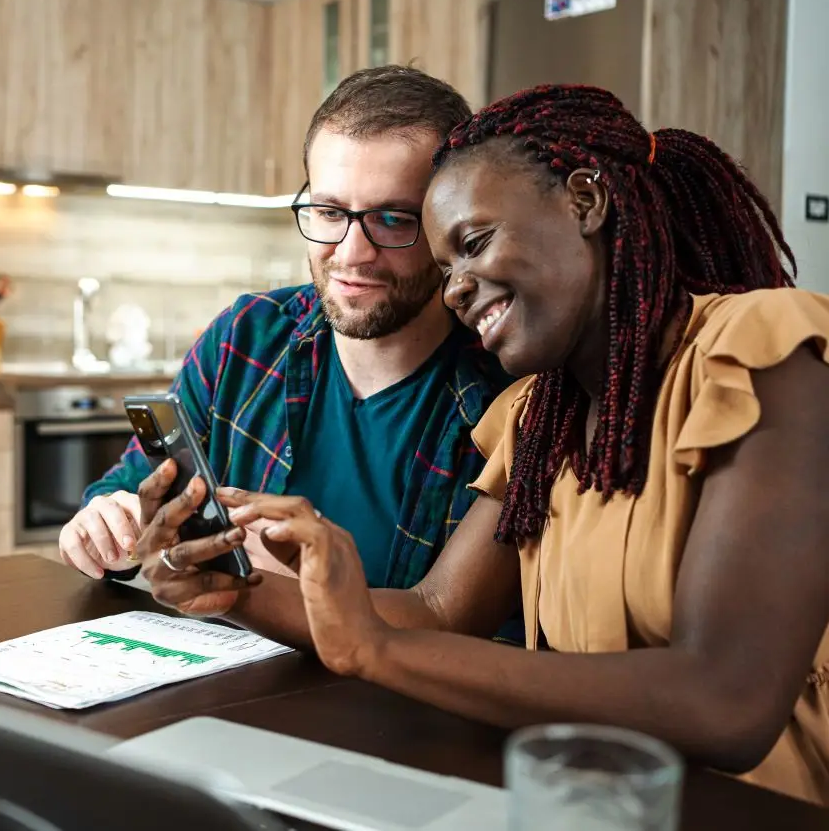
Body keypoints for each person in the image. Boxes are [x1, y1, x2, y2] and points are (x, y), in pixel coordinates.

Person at [134, 83, 829, 807]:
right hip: (585, 808)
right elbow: (435, 611)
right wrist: (233, 589)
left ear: (585, 200)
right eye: (446, 268)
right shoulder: (539, 417)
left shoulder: (764, 353)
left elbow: (725, 702)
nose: (459, 289)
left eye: (473, 244)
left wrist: (376, 646)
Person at [59, 65, 517, 642]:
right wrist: (105, 524)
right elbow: (132, 490)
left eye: (393, 218)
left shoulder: (504, 392)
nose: (353, 254)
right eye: (329, 213)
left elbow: (470, 630)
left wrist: (245, 594)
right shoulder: (245, 339)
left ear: (447, 221)